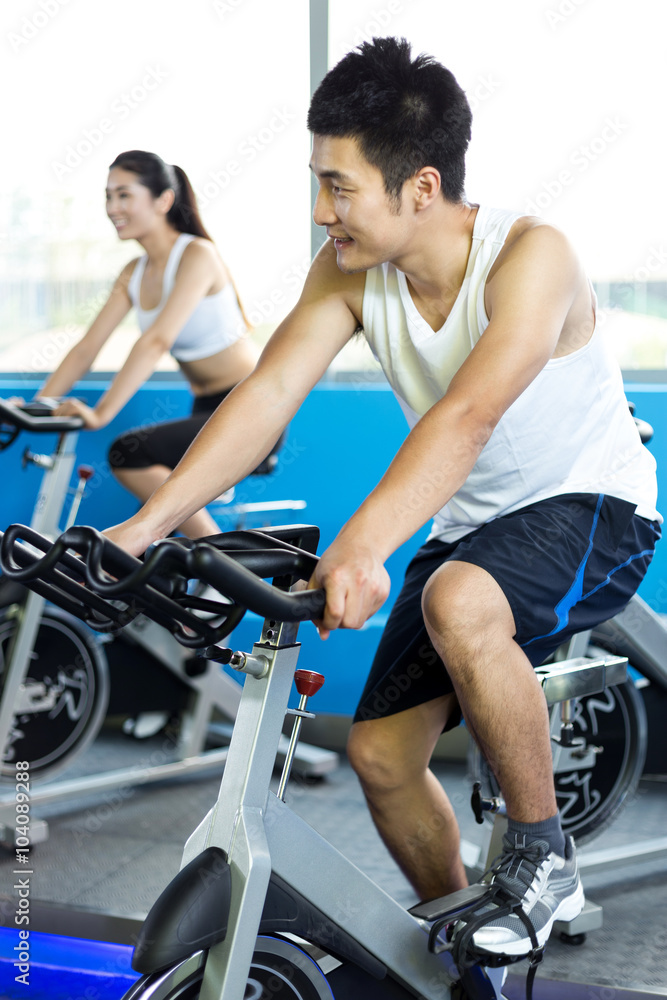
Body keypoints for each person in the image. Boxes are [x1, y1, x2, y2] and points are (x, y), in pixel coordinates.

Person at [103, 39, 661, 956]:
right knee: (381, 759)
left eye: (339, 187)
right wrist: (146, 522)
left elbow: (470, 417)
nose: (323, 212)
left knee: (457, 597)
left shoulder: (531, 256)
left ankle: (541, 857)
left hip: (591, 506)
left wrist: (363, 545)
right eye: (316, 184)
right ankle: (460, 949)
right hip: (471, 523)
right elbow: (265, 396)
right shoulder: (349, 270)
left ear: (422, 187)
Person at [34, 149, 264, 539]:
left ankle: (226, 570)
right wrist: (38, 405)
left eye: (124, 195)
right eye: (108, 196)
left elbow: (156, 341)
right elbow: (87, 348)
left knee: (128, 454)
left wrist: (100, 415)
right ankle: (209, 572)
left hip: (251, 407)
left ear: (163, 201)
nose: (112, 207)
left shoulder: (196, 255)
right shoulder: (133, 273)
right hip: (206, 408)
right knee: (156, 526)